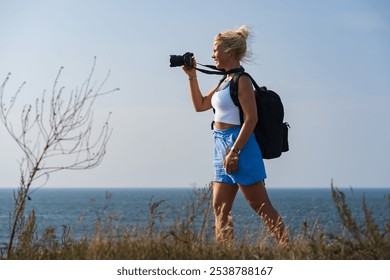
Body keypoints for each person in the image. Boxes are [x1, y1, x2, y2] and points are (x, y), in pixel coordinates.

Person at [182, 25, 288, 245]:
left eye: (215, 50)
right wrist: (192, 76)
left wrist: (235, 151)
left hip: (240, 146)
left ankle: (290, 252)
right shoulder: (224, 81)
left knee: (260, 206)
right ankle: (226, 258)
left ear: (228, 52)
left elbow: (252, 119)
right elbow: (200, 105)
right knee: (219, 209)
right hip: (219, 145)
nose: (212, 55)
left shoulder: (243, 80)